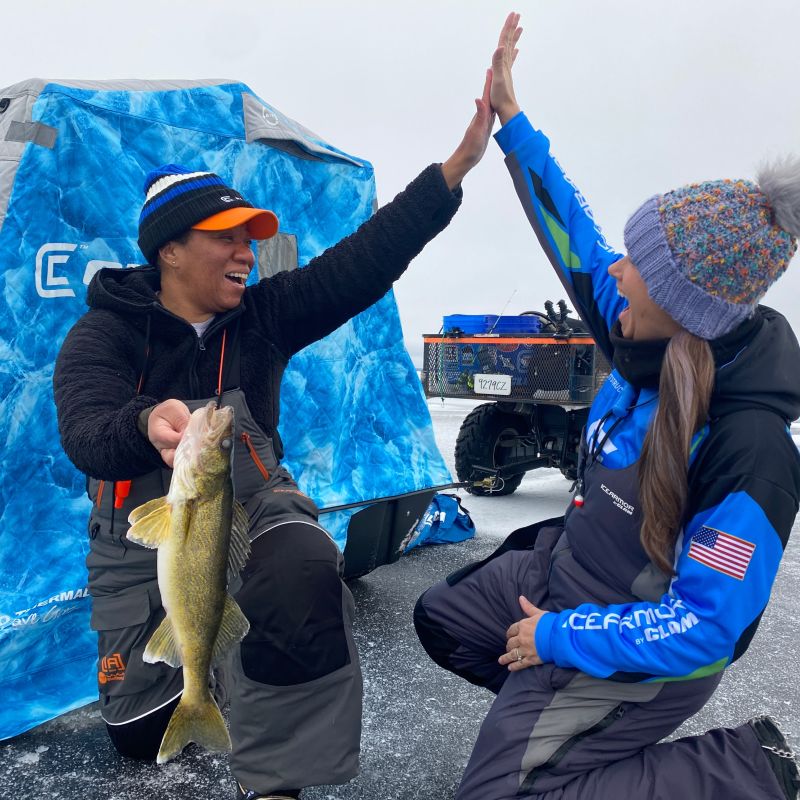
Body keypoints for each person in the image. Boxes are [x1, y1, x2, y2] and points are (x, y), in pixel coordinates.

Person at [52, 72, 496, 800]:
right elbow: (85, 433)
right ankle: (221, 675)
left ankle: (279, 781)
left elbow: (365, 261)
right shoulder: (103, 333)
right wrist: (141, 424)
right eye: (226, 238)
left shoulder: (264, 318)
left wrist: (454, 172)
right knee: (140, 733)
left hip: (251, 510)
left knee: (299, 568)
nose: (247, 253)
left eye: (251, 240)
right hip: (143, 538)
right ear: (168, 249)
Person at [415, 13, 800, 800]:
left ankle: (746, 771)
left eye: (639, 266)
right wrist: (512, 117)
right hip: (567, 578)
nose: (614, 271)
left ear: (686, 302)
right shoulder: (640, 335)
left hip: (637, 638)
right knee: (442, 617)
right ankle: (564, 733)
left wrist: (559, 638)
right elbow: (571, 230)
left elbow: (704, 626)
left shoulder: (750, 447)